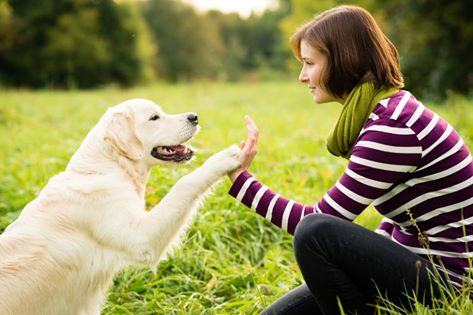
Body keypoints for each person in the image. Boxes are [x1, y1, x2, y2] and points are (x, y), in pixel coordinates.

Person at [227, 5, 473, 315]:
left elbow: (316, 220)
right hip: (414, 263)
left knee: (314, 233)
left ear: (344, 61)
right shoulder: (383, 113)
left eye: (309, 63)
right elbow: (405, 212)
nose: (302, 76)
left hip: (448, 284)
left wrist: (242, 181)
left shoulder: (393, 127)